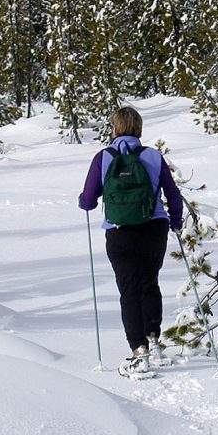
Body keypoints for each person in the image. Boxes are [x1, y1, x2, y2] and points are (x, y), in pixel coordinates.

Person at [78, 106, 183, 378]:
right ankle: (154, 341)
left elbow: (89, 199)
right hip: (154, 228)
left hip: (119, 231)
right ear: (138, 129)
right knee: (150, 283)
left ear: (114, 128)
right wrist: (175, 220)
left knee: (129, 291)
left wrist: (83, 201)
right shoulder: (152, 156)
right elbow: (173, 195)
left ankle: (138, 351)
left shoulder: (103, 157)